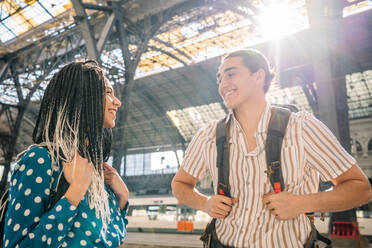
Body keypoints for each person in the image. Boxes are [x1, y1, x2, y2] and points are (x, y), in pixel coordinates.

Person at [171, 49, 372, 247]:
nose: (223, 85)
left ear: (259, 76)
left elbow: (360, 188)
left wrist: (302, 203)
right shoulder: (208, 135)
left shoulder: (302, 128)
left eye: (231, 74)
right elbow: (180, 184)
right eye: (219, 79)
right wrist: (204, 203)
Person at [3, 60, 128, 247]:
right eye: (108, 92)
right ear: (83, 97)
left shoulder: (93, 170)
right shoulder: (40, 160)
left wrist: (123, 197)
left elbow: (110, 238)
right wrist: (75, 192)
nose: (117, 102)